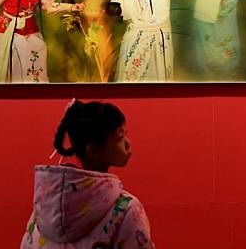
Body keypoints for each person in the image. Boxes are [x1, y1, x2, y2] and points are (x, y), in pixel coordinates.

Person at [20, 99, 155, 249]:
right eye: (119, 137)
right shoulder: (126, 210)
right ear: (93, 151)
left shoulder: (44, 209)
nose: (128, 143)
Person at [109, 0, 173, 82]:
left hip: (153, 32)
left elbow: (163, 15)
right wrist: (114, 8)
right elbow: (118, 1)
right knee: (130, 69)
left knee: (143, 69)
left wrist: (145, 27)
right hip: (134, 32)